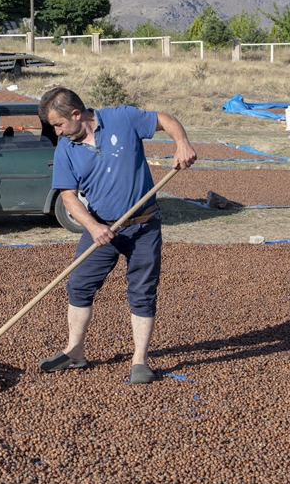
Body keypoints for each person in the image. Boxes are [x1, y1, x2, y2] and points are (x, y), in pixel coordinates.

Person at [36, 86, 196, 384]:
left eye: (58, 124)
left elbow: (165, 120)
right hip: (100, 227)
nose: (57, 132)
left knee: (142, 291)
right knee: (79, 285)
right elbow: (68, 196)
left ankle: (140, 361)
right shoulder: (65, 149)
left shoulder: (122, 118)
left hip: (143, 226)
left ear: (76, 114)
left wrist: (182, 144)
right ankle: (75, 351)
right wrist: (93, 227)